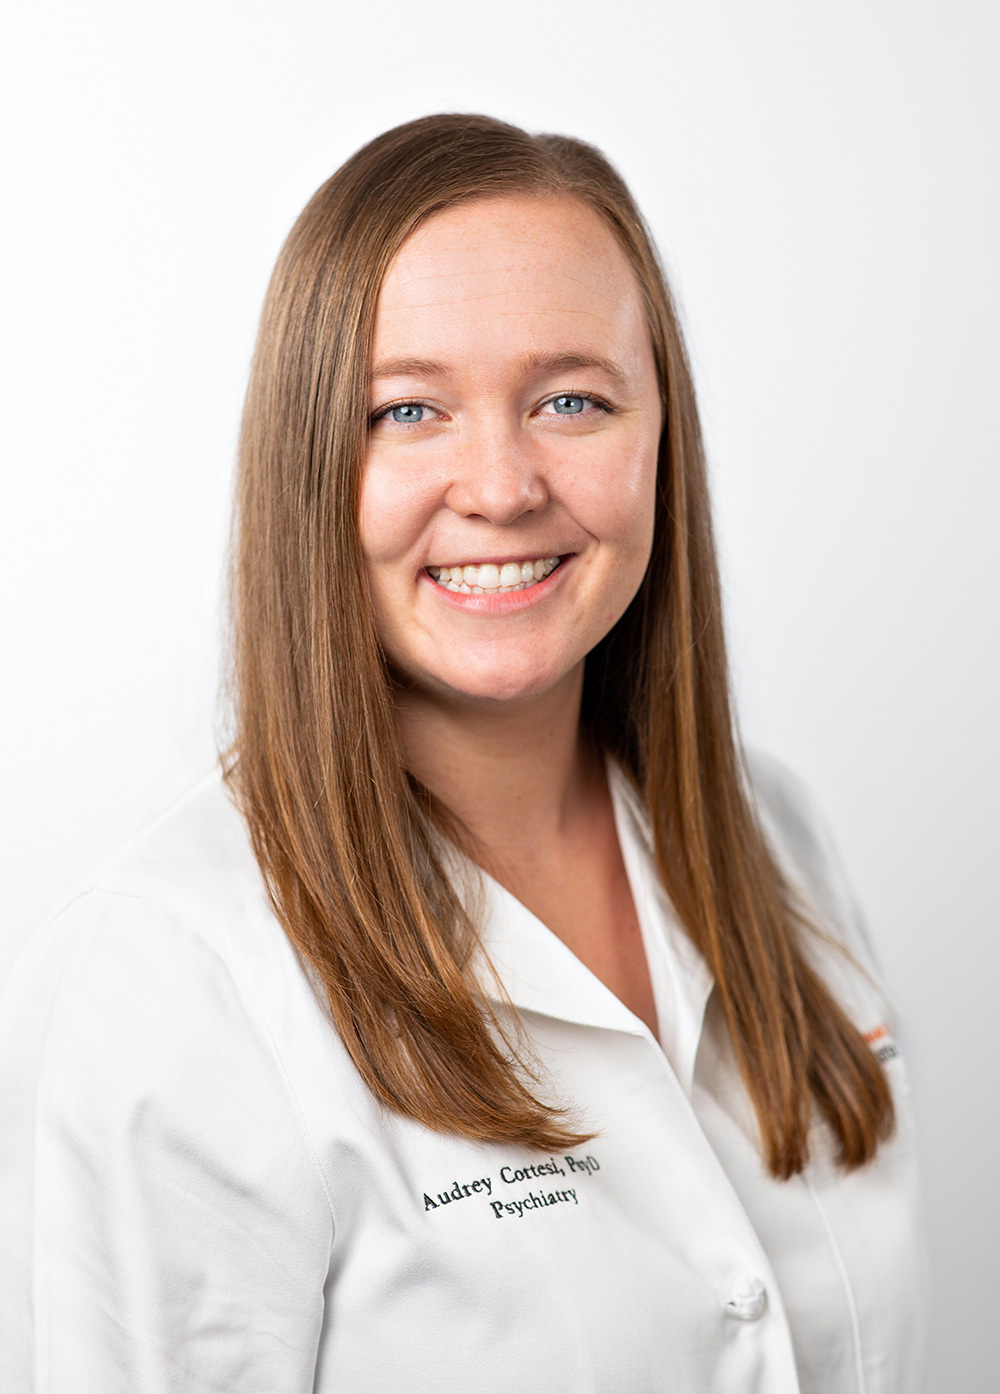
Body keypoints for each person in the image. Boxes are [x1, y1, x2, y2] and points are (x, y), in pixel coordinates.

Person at [0, 114, 927, 1392]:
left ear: (662, 438)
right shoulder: (162, 988)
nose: (498, 485)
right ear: (309, 466)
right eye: (407, 408)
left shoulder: (776, 831)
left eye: (570, 400)